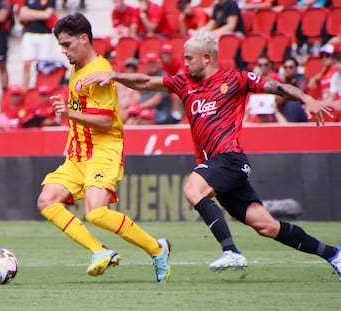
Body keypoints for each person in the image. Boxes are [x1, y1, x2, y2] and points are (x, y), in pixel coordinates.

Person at [82, 30, 341, 281]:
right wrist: (114, 75)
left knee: (193, 190)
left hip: (229, 158)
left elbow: (278, 87)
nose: (185, 63)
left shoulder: (237, 79)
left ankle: (231, 251)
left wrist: (306, 98)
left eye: (189, 58)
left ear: (207, 57)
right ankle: (334, 254)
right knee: (267, 226)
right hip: (217, 166)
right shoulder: (184, 83)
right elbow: (146, 82)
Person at [37, 12, 171, 284]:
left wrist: (69, 115)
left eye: (67, 44)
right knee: (46, 200)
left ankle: (157, 250)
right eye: (61, 45)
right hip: (78, 154)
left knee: (95, 212)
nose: (63, 51)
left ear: (84, 39)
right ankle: (100, 251)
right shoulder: (76, 68)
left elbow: (105, 121)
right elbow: (80, 110)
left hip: (103, 150)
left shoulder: (99, 72)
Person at [19, 0, 57, 90]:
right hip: (29, 33)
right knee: (26, 63)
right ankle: (24, 90)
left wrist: (30, 14)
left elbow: (47, 15)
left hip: (45, 34)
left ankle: (42, 89)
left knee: (44, 65)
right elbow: (22, 14)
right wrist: (41, 14)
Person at [278, 56, 309, 122]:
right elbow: (278, 99)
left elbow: (299, 94)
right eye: (285, 67)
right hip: (285, 110)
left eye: (290, 67)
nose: (287, 69)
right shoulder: (282, 82)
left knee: (292, 104)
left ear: (296, 69)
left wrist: (284, 96)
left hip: (300, 110)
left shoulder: (301, 78)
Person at [116, 58, 142, 124]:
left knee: (132, 119)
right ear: (125, 69)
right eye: (128, 68)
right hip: (117, 111)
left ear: (136, 71)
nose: (130, 71)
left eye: (133, 69)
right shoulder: (118, 83)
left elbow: (136, 102)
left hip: (130, 114)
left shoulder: (139, 85)